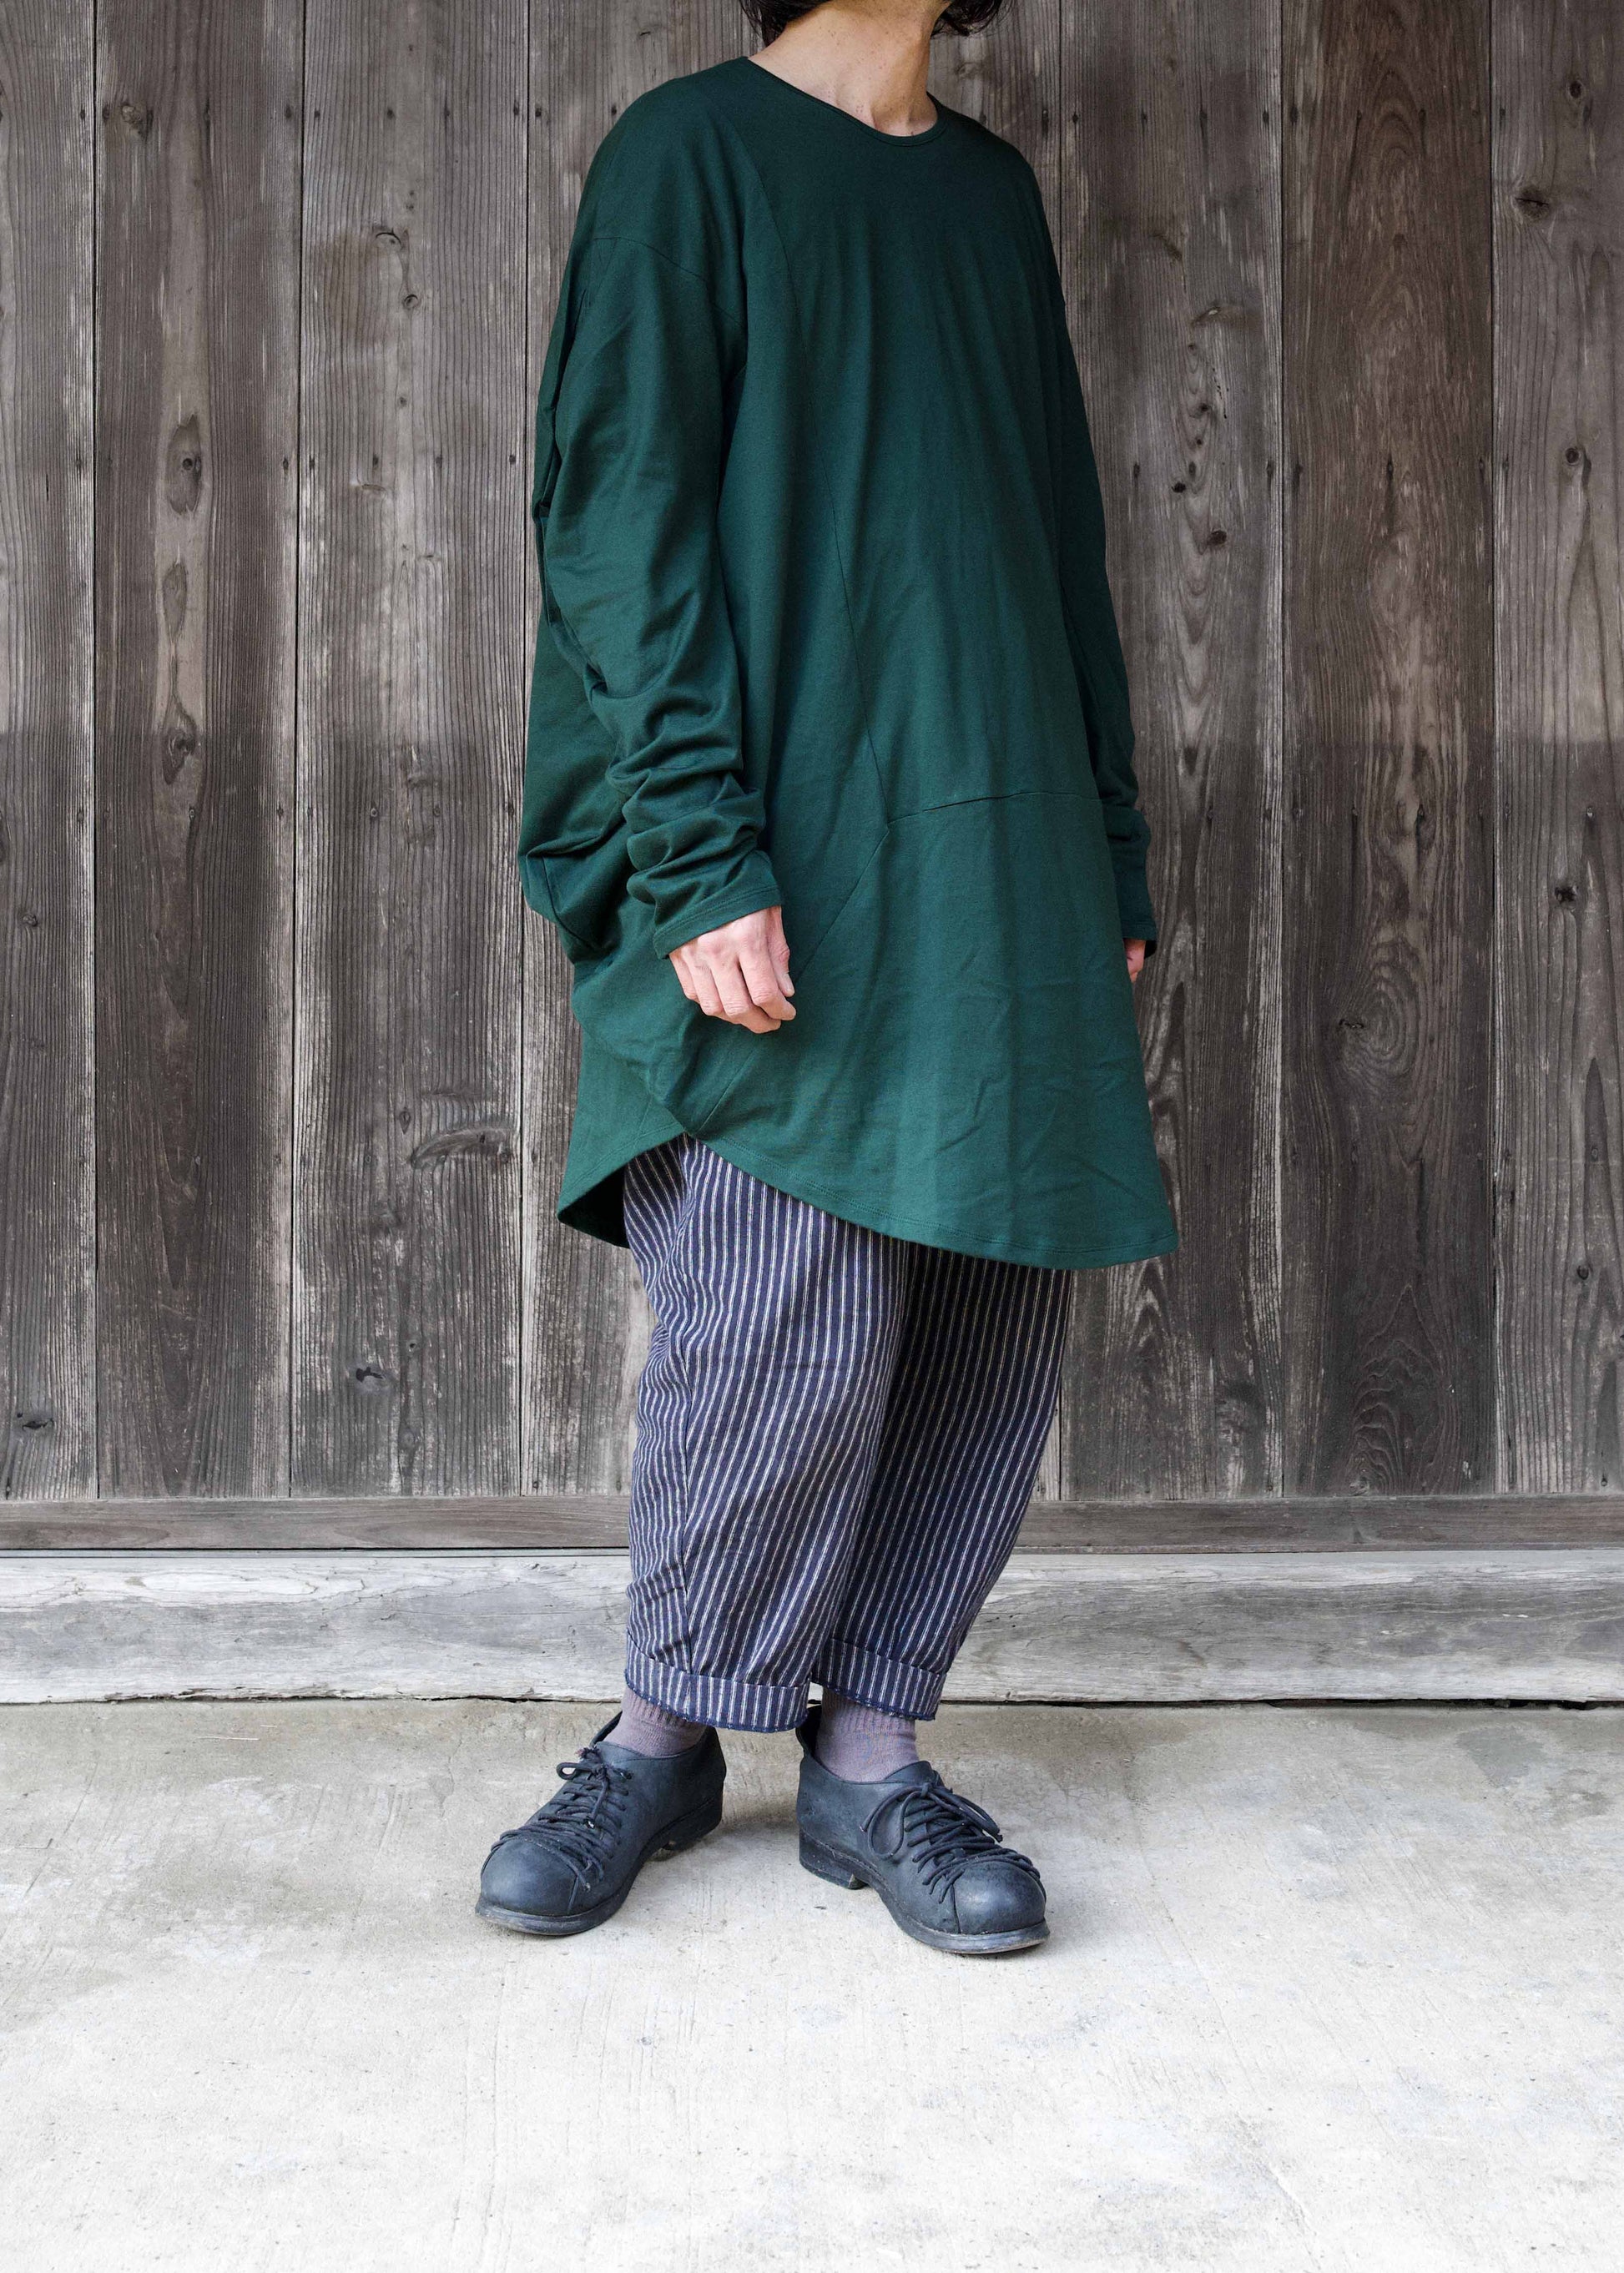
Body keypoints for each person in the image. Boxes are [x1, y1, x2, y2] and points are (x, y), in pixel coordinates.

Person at [480, 0, 1177, 1956]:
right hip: (782, 834)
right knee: (773, 1295)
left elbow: (1057, 538)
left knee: (982, 1289)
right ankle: (662, 1735)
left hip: (997, 825)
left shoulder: (988, 196)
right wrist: (698, 852)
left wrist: (1107, 838)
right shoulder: (688, 155)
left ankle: (872, 1751)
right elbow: (619, 523)